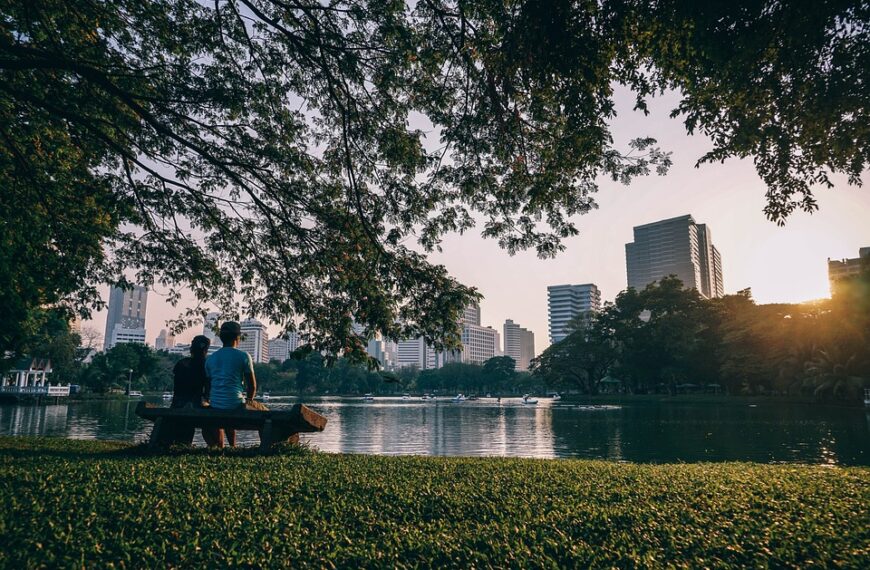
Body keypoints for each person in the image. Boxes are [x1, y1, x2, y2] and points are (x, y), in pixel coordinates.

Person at [205, 321, 266, 447]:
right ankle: (235, 446)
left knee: (229, 405)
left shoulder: (210, 358)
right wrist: (249, 400)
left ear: (221, 338)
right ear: (238, 338)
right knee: (265, 413)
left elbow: (208, 386)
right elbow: (252, 386)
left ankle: (231, 446)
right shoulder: (243, 356)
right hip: (235, 404)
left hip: (216, 404)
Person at [169, 335, 221, 446]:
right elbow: (207, 390)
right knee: (212, 419)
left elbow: (176, 387)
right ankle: (217, 446)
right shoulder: (206, 365)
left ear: (191, 348)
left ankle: (181, 443)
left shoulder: (181, 363)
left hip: (177, 404)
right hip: (196, 404)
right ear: (206, 350)